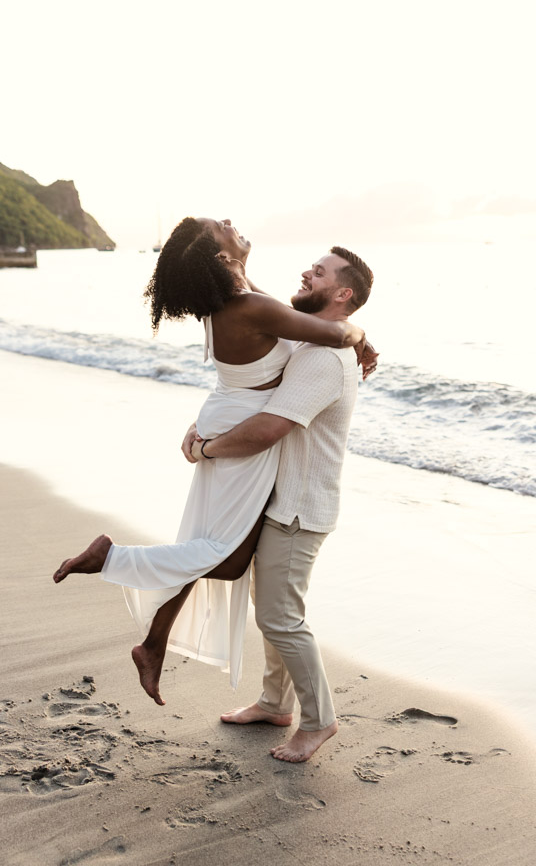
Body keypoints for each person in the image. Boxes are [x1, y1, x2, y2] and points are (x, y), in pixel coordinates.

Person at [53, 217, 374, 708]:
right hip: (240, 433)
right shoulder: (251, 306)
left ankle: (155, 643)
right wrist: (358, 331)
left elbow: (291, 315)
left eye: (321, 272)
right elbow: (334, 334)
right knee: (223, 554)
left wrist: (347, 333)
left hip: (226, 418)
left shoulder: (238, 300)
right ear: (223, 260)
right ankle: (111, 558)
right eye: (220, 228)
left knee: (213, 546)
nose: (230, 221)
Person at [181, 244, 372, 762]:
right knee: (271, 610)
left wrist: (206, 448)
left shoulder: (325, 361)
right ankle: (273, 703)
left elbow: (268, 428)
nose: (307, 271)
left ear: (343, 292)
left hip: (299, 508)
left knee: (281, 617)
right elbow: (254, 300)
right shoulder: (309, 341)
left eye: (320, 272)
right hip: (280, 500)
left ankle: (319, 721)